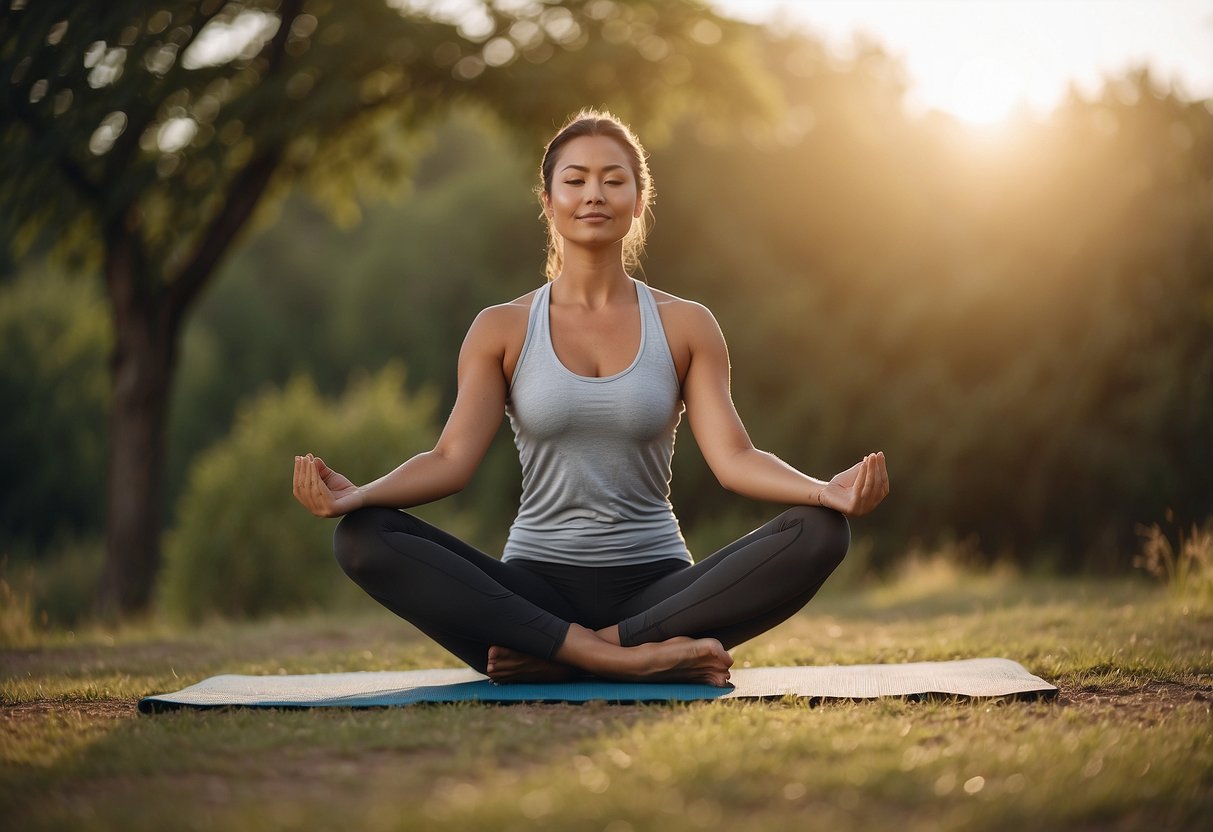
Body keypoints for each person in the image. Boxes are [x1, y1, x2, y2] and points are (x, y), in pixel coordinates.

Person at [292, 109, 889, 687]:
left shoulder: (686, 324)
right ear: (549, 203)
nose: (593, 194)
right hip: (531, 591)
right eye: (574, 180)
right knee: (363, 537)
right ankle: (631, 659)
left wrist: (824, 491)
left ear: (639, 199)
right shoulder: (502, 327)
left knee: (822, 532)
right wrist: (361, 496)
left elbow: (734, 459)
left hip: (658, 591)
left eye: (613, 179)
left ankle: (569, 655)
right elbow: (450, 461)